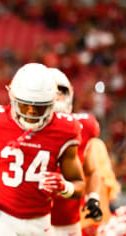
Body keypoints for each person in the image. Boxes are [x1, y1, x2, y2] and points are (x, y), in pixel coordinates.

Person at [0, 63, 85, 235]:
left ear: (52, 102)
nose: (31, 111)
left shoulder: (65, 129)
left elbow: (79, 184)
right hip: (2, 217)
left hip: (41, 220)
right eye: (25, 105)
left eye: (39, 106)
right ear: (13, 99)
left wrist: (64, 187)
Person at [49, 68, 103, 235]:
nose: (57, 96)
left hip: (68, 222)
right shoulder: (20, 127)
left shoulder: (83, 126)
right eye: (52, 91)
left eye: (61, 91)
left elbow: (92, 170)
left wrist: (93, 198)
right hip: (29, 219)